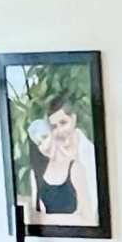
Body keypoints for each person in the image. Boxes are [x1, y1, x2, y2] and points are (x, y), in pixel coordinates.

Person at [24, 97, 99, 231]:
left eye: (63, 123)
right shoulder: (44, 167)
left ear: (74, 119)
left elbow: (91, 217)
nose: (59, 131)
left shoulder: (90, 155)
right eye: (54, 127)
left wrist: (49, 219)